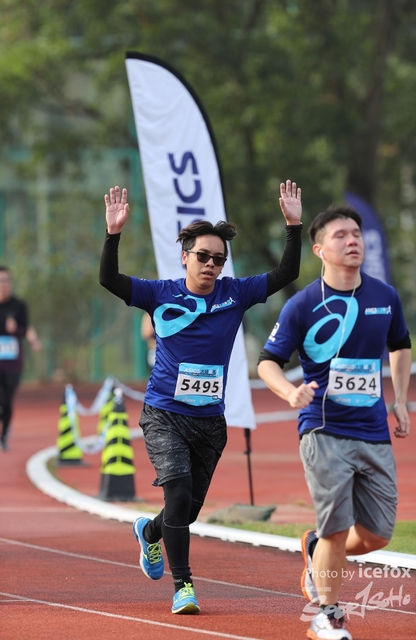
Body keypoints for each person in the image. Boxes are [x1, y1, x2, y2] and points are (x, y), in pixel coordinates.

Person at [99, 181, 303, 614]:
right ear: (185, 256)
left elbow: (286, 274)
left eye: (218, 259)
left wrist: (293, 226)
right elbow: (109, 279)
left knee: (186, 511)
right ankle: (184, 586)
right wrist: (113, 234)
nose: (211, 265)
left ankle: (150, 533)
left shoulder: (235, 294)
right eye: (203, 257)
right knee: (176, 494)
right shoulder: (159, 293)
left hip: (210, 421)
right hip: (164, 413)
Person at [257, 205, 411, 640]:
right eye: (341, 235)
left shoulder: (385, 297)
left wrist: (400, 400)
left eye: (356, 233)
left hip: (374, 430)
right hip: (323, 429)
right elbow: (267, 362)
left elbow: (400, 345)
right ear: (320, 249)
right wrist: (290, 392)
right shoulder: (303, 304)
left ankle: (315, 547)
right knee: (337, 527)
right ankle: (326, 614)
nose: (353, 240)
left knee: (377, 535)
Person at [0, 266, 29, 451]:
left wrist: (15, 330)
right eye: (1, 281)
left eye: (7, 281)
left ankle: (3, 437)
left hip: (12, 364)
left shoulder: (19, 306)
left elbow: (25, 330)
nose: (4, 285)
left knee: (7, 401)